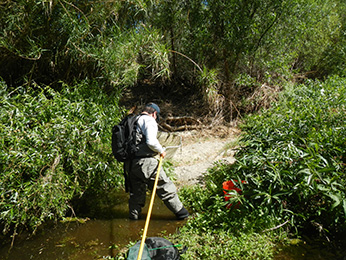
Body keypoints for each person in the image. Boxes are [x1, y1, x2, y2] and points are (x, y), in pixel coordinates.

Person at [124, 102, 189, 220]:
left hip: (130, 164)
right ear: (154, 114)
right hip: (146, 163)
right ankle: (182, 214)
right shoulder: (149, 121)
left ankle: (133, 219)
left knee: (136, 194)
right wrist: (161, 151)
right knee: (165, 186)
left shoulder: (133, 120)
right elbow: (151, 142)